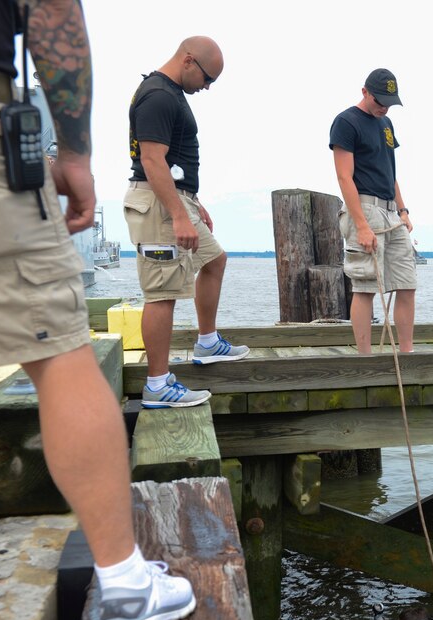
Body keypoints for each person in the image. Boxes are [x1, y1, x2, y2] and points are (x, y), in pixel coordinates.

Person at [0, 0, 194, 620]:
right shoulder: (159, 97)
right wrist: (75, 152)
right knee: (58, 354)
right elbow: (50, 13)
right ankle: (128, 584)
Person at [124, 35, 248, 408]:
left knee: (214, 259)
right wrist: (178, 213)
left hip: (178, 199)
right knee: (162, 294)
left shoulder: (171, 93)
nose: (207, 88)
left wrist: (193, 203)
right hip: (159, 205)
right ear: (189, 60)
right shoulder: (159, 95)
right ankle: (158, 385)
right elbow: (151, 160)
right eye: (208, 79)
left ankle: (207, 343)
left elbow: (171, 158)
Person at [329, 68, 417, 355]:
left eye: (390, 102)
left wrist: (403, 210)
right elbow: (344, 178)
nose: (384, 107)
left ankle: (406, 353)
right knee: (365, 285)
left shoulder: (386, 123)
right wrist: (361, 225)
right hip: (364, 208)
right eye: (380, 100)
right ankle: (365, 358)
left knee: (407, 283)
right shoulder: (346, 122)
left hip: (392, 213)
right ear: (364, 91)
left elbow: (390, 171)